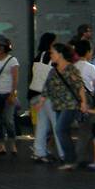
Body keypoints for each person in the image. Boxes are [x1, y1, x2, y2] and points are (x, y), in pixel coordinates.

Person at [39, 42, 89, 171]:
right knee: (63, 131)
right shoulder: (53, 70)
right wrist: (41, 102)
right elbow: (47, 88)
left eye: (53, 52)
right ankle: (71, 159)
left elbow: (80, 86)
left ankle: (70, 159)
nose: (51, 55)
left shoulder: (71, 69)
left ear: (60, 54)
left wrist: (83, 102)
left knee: (60, 129)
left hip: (70, 105)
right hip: (58, 106)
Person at [28, 32, 58, 163]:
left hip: (34, 93)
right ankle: (63, 153)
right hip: (48, 96)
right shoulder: (52, 58)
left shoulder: (37, 57)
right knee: (56, 124)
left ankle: (39, 152)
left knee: (42, 124)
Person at [0, 35, 19, 156]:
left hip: (8, 94)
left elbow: (15, 78)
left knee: (8, 120)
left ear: (6, 47)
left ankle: (12, 144)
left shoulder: (12, 60)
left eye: (1, 46)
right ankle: (1, 146)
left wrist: (13, 94)